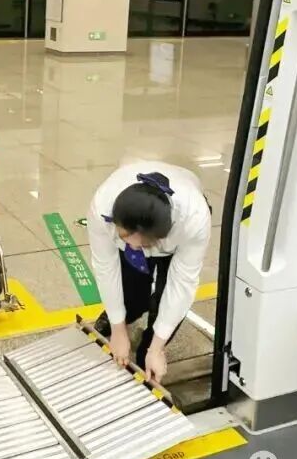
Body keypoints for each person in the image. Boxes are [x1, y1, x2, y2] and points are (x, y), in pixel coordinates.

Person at [88, 162, 212, 384]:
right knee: (131, 286)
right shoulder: (102, 206)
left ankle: (148, 349)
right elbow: (106, 267)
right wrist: (118, 329)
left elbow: (181, 284)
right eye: (126, 237)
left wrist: (157, 348)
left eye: (144, 244)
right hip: (137, 224)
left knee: (165, 295)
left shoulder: (193, 221)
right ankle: (122, 317)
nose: (135, 248)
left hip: (178, 233)